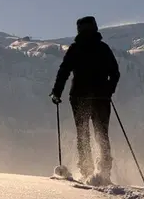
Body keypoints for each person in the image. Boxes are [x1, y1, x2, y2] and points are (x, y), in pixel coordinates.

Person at [50, 16, 120, 182]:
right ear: (95, 28)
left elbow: (64, 71)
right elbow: (115, 73)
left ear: (79, 30)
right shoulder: (103, 48)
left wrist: (56, 92)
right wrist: (109, 90)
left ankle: (87, 170)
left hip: (79, 97)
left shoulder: (75, 49)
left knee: (82, 133)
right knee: (101, 133)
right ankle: (104, 172)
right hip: (101, 97)